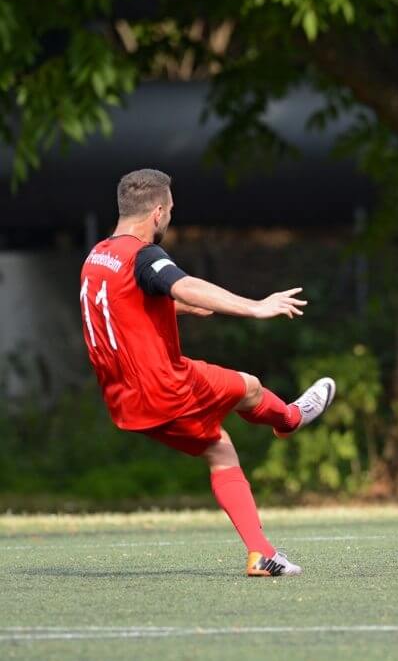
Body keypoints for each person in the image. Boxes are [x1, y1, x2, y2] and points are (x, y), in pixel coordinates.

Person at [79, 168, 336, 576]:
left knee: (220, 448)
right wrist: (255, 305)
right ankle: (288, 419)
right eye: (171, 212)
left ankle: (261, 553)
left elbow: (121, 306)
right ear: (158, 212)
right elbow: (182, 283)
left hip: (123, 399)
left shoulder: (97, 258)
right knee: (250, 387)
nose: (170, 219)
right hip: (165, 386)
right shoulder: (144, 254)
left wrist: (173, 307)